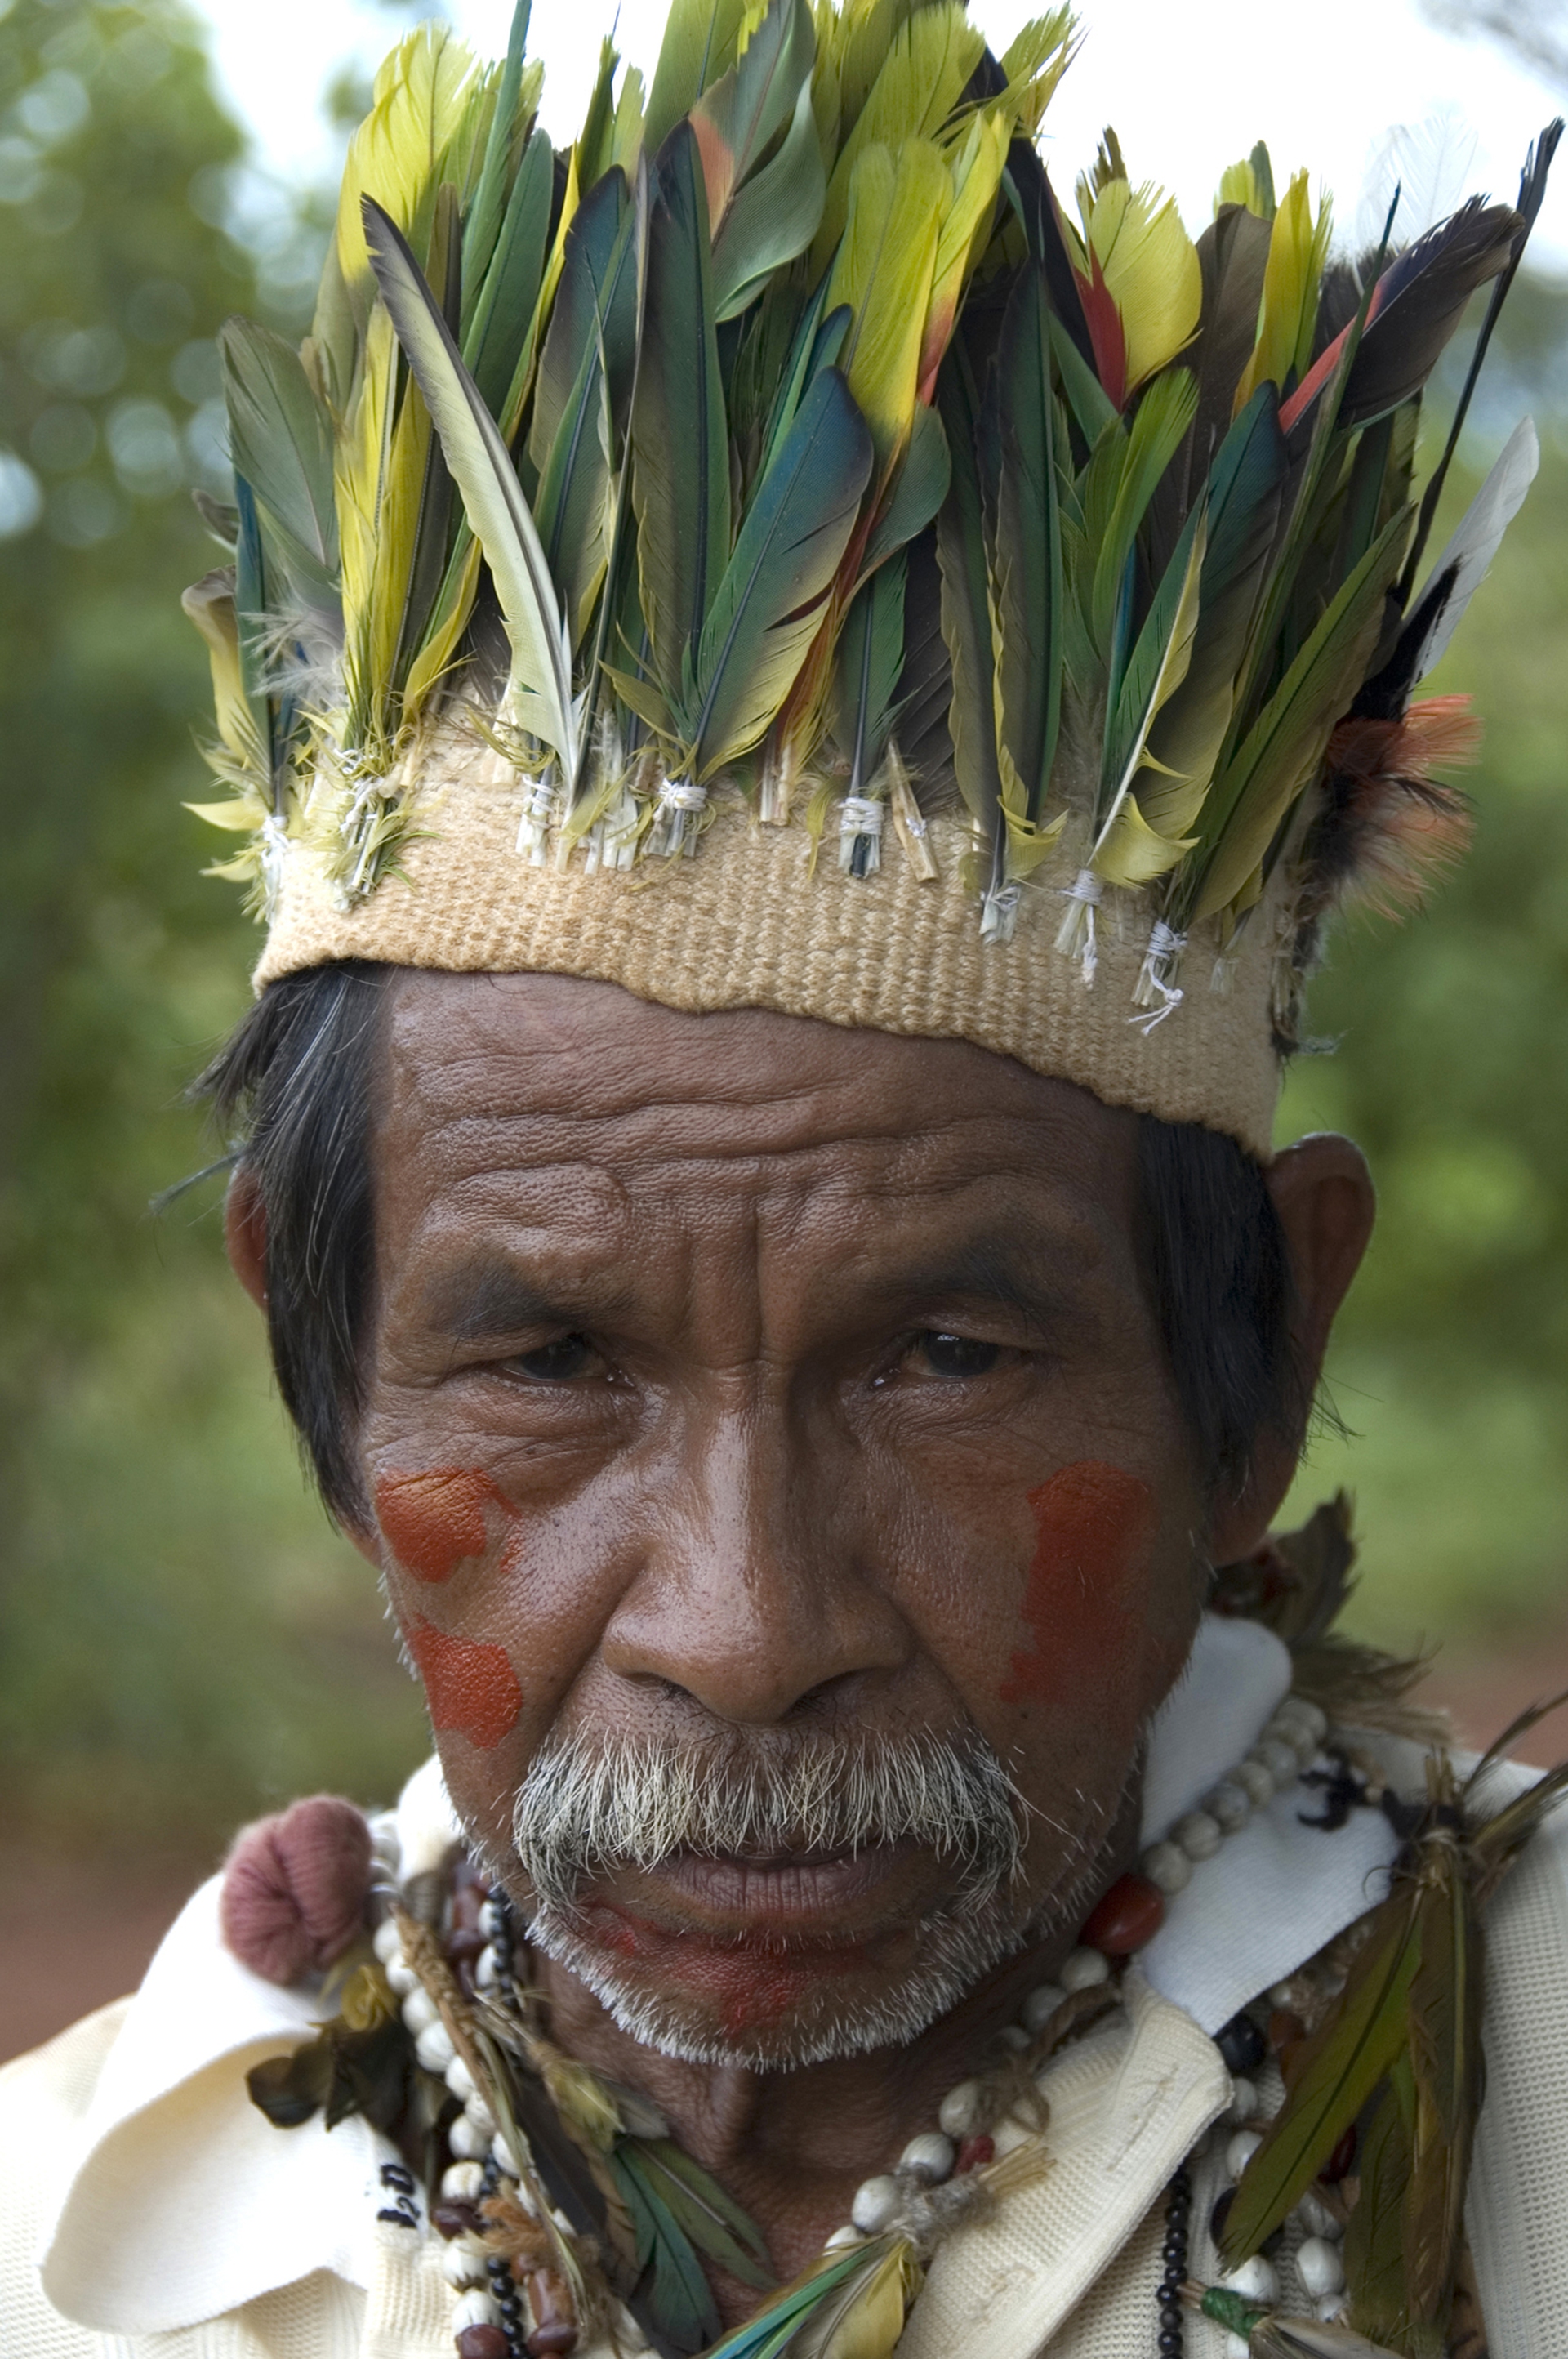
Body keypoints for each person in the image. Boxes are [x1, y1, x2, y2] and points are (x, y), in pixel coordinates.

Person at [2, 3, 1565, 2352]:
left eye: (948, 1353)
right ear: (318, 1364)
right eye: (544, 1358)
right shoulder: (76, 2250)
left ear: (1263, 1369)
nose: (744, 1630)